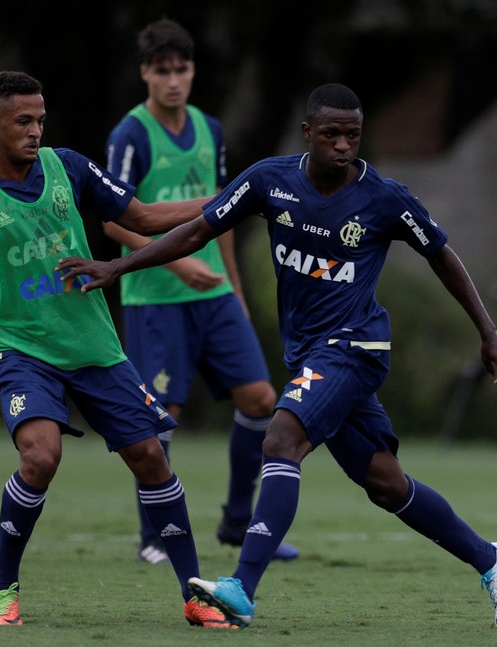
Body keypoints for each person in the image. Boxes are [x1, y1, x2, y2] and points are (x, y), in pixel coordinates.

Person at [59, 82, 497, 630]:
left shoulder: (386, 198)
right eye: (331, 134)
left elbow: (443, 256)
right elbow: (195, 232)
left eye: (352, 135)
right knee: (384, 482)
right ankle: (491, 559)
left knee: (281, 438)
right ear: (308, 134)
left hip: (356, 345)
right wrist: (118, 267)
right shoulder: (268, 181)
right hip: (309, 353)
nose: (344, 146)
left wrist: (488, 333)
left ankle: (241, 589)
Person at [0, 71, 232, 628]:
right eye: (23, 121)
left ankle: (194, 595)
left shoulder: (67, 167)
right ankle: (2, 591)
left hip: (94, 346)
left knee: (151, 457)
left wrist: (234, 198)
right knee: (41, 455)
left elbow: (142, 217)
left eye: (40, 120)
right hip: (21, 350)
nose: (34, 131)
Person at [104, 18, 297, 564]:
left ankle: (239, 523)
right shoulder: (130, 136)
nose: (173, 81)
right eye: (162, 71)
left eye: (181, 69)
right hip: (156, 296)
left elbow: (224, 214)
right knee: (161, 414)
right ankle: (155, 538)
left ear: (192, 72)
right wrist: (180, 266)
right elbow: (111, 221)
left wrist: (235, 288)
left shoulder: (210, 129)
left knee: (261, 400)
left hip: (214, 294)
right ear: (145, 73)